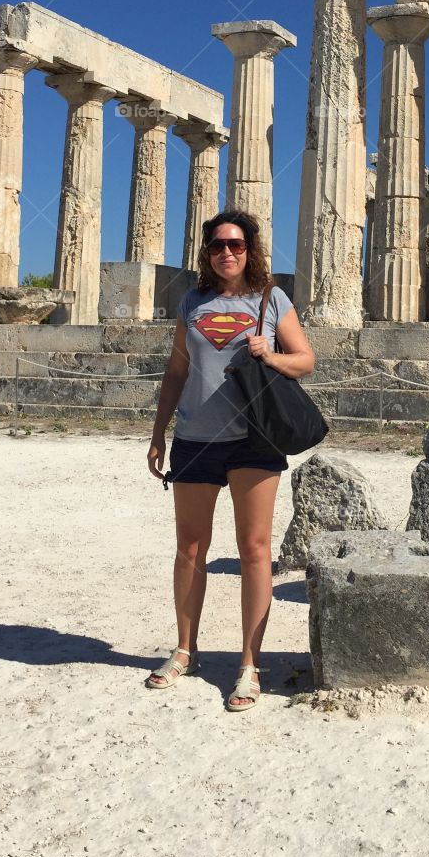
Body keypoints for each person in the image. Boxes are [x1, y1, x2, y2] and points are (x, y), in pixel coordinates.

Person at [145, 209, 315, 711]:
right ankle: (184, 649)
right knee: (190, 547)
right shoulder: (191, 302)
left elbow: (305, 360)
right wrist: (159, 433)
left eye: (236, 245)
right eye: (218, 245)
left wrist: (271, 354)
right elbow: (176, 371)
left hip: (254, 437)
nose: (227, 253)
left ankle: (248, 664)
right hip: (195, 435)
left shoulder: (272, 299)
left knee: (254, 548)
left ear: (251, 249)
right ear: (207, 252)